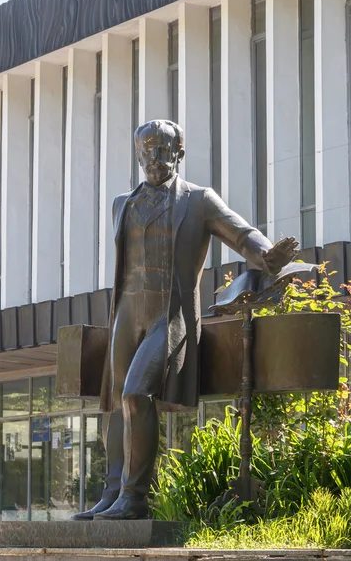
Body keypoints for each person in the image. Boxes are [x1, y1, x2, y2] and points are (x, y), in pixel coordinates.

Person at [72, 120, 297, 520]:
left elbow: (242, 234)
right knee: (114, 403)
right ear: (138, 153)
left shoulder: (198, 200)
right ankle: (110, 494)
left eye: (164, 149)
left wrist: (268, 255)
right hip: (126, 310)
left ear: (180, 152)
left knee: (136, 394)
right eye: (148, 150)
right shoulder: (122, 203)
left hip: (169, 312)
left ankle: (134, 496)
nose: (155, 158)